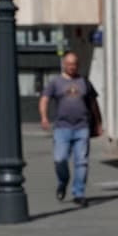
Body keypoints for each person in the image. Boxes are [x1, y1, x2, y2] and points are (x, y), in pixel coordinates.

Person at [39, 51, 102, 207]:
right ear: (64, 65)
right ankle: (63, 181)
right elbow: (44, 99)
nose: (72, 67)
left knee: (82, 162)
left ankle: (79, 193)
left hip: (82, 127)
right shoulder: (56, 82)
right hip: (62, 128)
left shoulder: (84, 82)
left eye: (74, 64)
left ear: (78, 65)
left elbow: (93, 104)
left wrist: (98, 123)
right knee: (60, 159)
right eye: (69, 64)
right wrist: (44, 117)